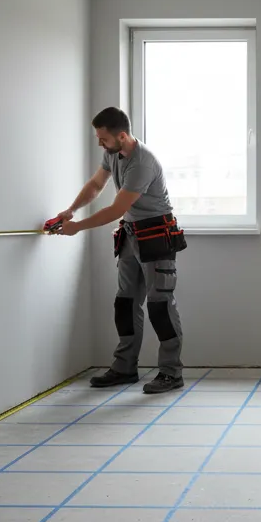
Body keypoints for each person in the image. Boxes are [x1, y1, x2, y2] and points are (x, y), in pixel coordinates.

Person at [48, 107, 185, 394]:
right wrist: (71, 211)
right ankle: (124, 368)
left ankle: (171, 373)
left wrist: (78, 227)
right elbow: (96, 184)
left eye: (103, 139)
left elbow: (116, 209)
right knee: (125, 303)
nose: (100, 144)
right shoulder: (113, 153)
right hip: (131, 234)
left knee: (160, 305)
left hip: (156, 235)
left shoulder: (142, 163)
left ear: (122, 136)